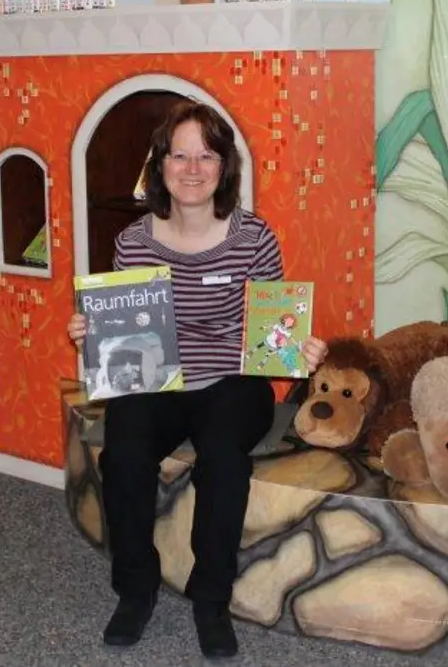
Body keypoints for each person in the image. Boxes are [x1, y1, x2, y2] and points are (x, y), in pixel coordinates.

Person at [66, 100, 327, 660]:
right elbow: (127, 328)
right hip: (159, 382)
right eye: (179, 155)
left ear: (223, 168)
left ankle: (211, 600)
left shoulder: (254, 236)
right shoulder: (133, 241)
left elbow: (272, 330)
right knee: (124, 453)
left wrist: (298, 349)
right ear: (159, 166)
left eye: (205, 156)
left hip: (233, 380)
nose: (191, 168)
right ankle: (136, 588)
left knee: (224, 460)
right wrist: (92, 328)